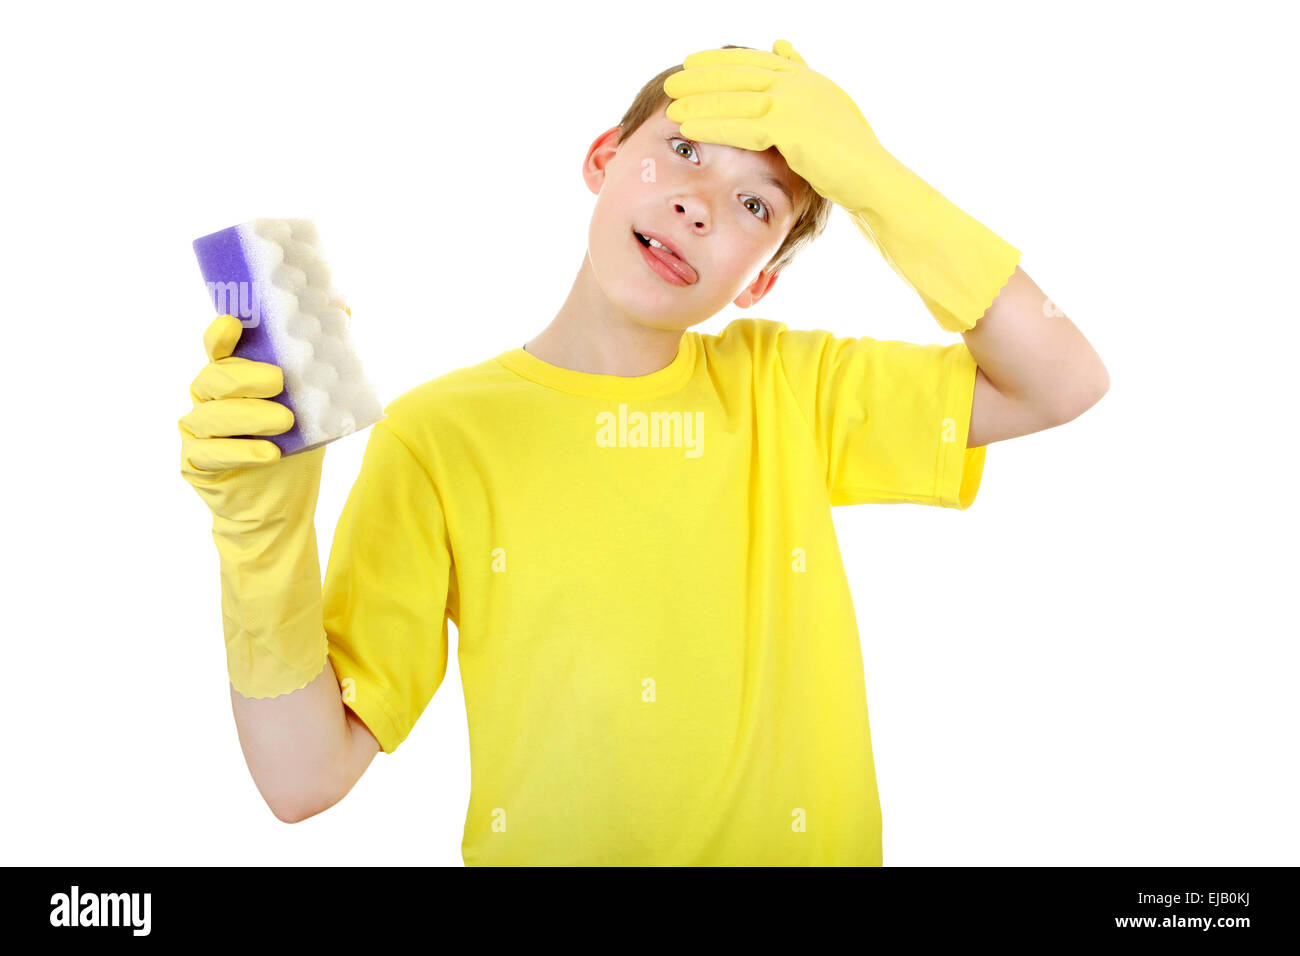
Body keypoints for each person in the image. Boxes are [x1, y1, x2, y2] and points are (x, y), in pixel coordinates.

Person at [178, 40, 1108, 865]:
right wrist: (261, 539)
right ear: (602, 159)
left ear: (762, 279)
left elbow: (1062, 380)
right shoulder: (439, 437)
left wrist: (876, 183)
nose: (701, 205)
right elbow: (302, 780)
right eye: (683, 149)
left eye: (756, 202)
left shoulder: (790, 387)